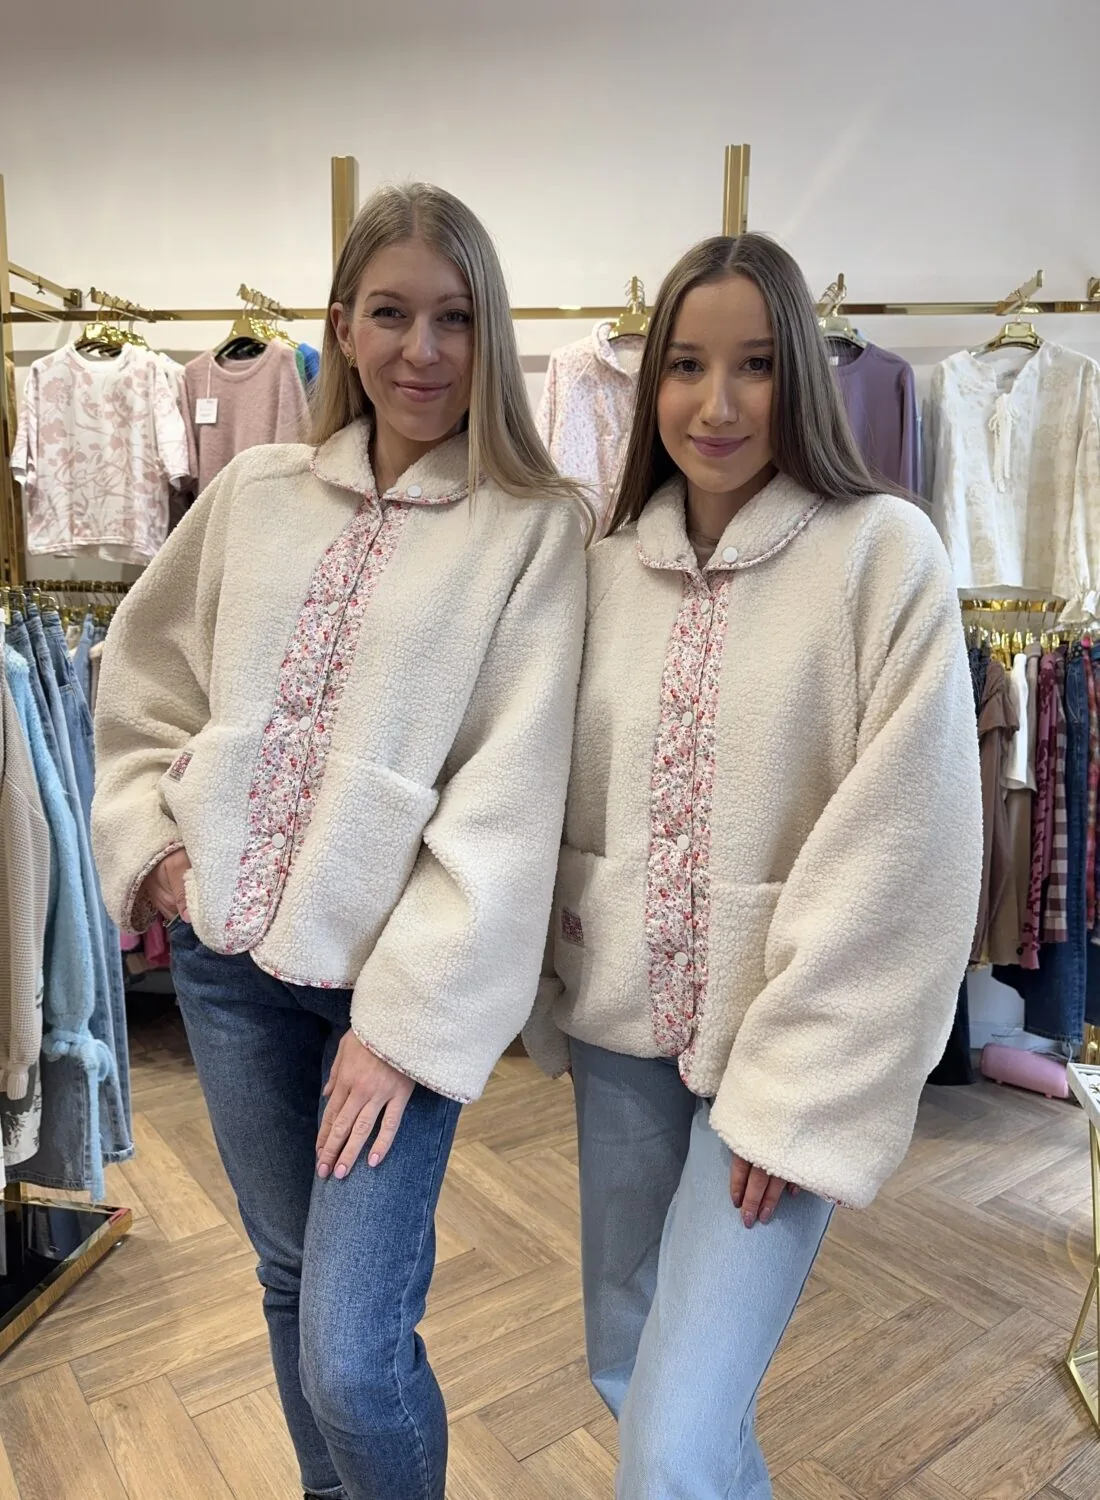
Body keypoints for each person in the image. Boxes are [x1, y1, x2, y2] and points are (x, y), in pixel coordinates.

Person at [92, 183, 587, 1500]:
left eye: (454, 318)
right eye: (390, 314)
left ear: (491, 335)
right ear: (341, 327)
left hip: (394, 1000)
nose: (421, 350)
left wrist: (404, 1023)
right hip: (229, 971)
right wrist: (159, 850)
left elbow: (508, 799)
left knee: (355, 1358)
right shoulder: (253, 492)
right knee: (287, 1279)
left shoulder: (534, 528)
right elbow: (142, 684)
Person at [523, 233, 983, 1498]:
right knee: (635, 1378)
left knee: (670, 1441)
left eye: (755, 365)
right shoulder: (599, 571)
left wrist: (800, 1091)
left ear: (805, 378)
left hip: (780, 1058)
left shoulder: (881, 557)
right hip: (619, 1043)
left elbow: (906, 847)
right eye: (682, 365)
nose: (714, 404)